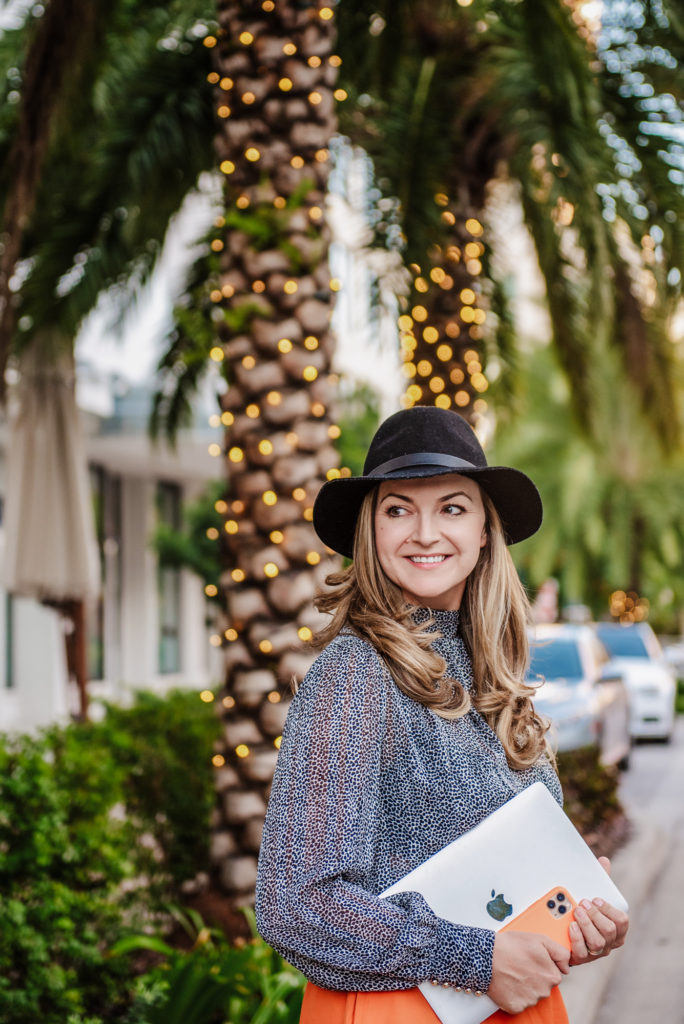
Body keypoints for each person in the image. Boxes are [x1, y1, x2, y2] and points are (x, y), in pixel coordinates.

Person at [255, 406, 628, 1024]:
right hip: (399, 1010)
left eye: (452, 507)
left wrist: (574, 915)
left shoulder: (494, 679)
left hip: (520, 1007)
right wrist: (477, 959)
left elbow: (506, 902)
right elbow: (296, 905)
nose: (425, 533)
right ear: (370, 533)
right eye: (398, 509)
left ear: (485, 530)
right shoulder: (356, 673)